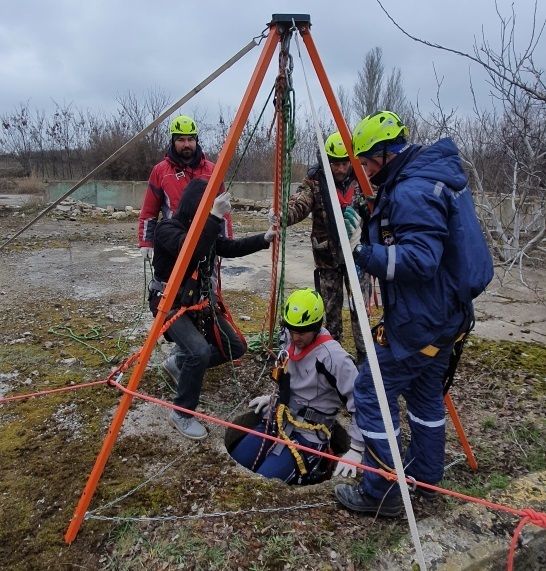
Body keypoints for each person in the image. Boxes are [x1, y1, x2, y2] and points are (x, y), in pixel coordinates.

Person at [334, 110, 492, 517]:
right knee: (424, 398)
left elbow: (420, 260)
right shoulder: (429, 177)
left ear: (385, 154)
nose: (365, 172)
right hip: (446, 318)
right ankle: (425, 478)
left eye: (367, 163)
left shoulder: (410, 191)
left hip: (422, 320)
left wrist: (361, 252)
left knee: (371, 392)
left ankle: (383, 491)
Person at [149, 178, 276, 440]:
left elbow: (228, 247)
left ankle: (178, 363)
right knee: (199, 351)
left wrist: (263, 239)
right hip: (169, 304)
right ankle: (181, 413)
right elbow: (190, 249)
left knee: (235, 346)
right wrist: (214, 217)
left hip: (198, 302)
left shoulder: (206, 232)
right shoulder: (167, 229)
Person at [230, 288, 365, 484]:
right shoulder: (288, 337)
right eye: (291, 330)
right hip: (277, 420)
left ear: (317, 326)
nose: (295, 338)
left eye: (301, 332)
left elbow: (362, 402)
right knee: (238, 460)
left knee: (265, 481)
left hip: (308, 434)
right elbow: (289, 374)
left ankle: (315, 466)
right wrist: (273, 398)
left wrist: (356, 449)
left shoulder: (334, 359)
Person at [271, 132, 371, 366]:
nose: (341, 168)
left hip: (358, 258)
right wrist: (282, 216)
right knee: (331, 312)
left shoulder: (363, 179)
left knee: (360, 311)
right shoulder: (315, 181)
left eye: (345, 162)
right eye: (336, 163)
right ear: (327, 160)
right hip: (328, 260)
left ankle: (365, 359)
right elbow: (300, 203)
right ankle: (333, 357)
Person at [138, 114, 231, 259]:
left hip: (206, 240)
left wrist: (226, 241)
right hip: (174, 241)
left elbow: (223, 210)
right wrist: (146, 242)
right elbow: (149, 211)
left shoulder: (212, 170)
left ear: (196, 141)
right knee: (169, 281)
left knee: (207, 281)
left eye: (190, 139)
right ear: (173, 142)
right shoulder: (160, 171)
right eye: (181, 139)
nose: (186, 144)